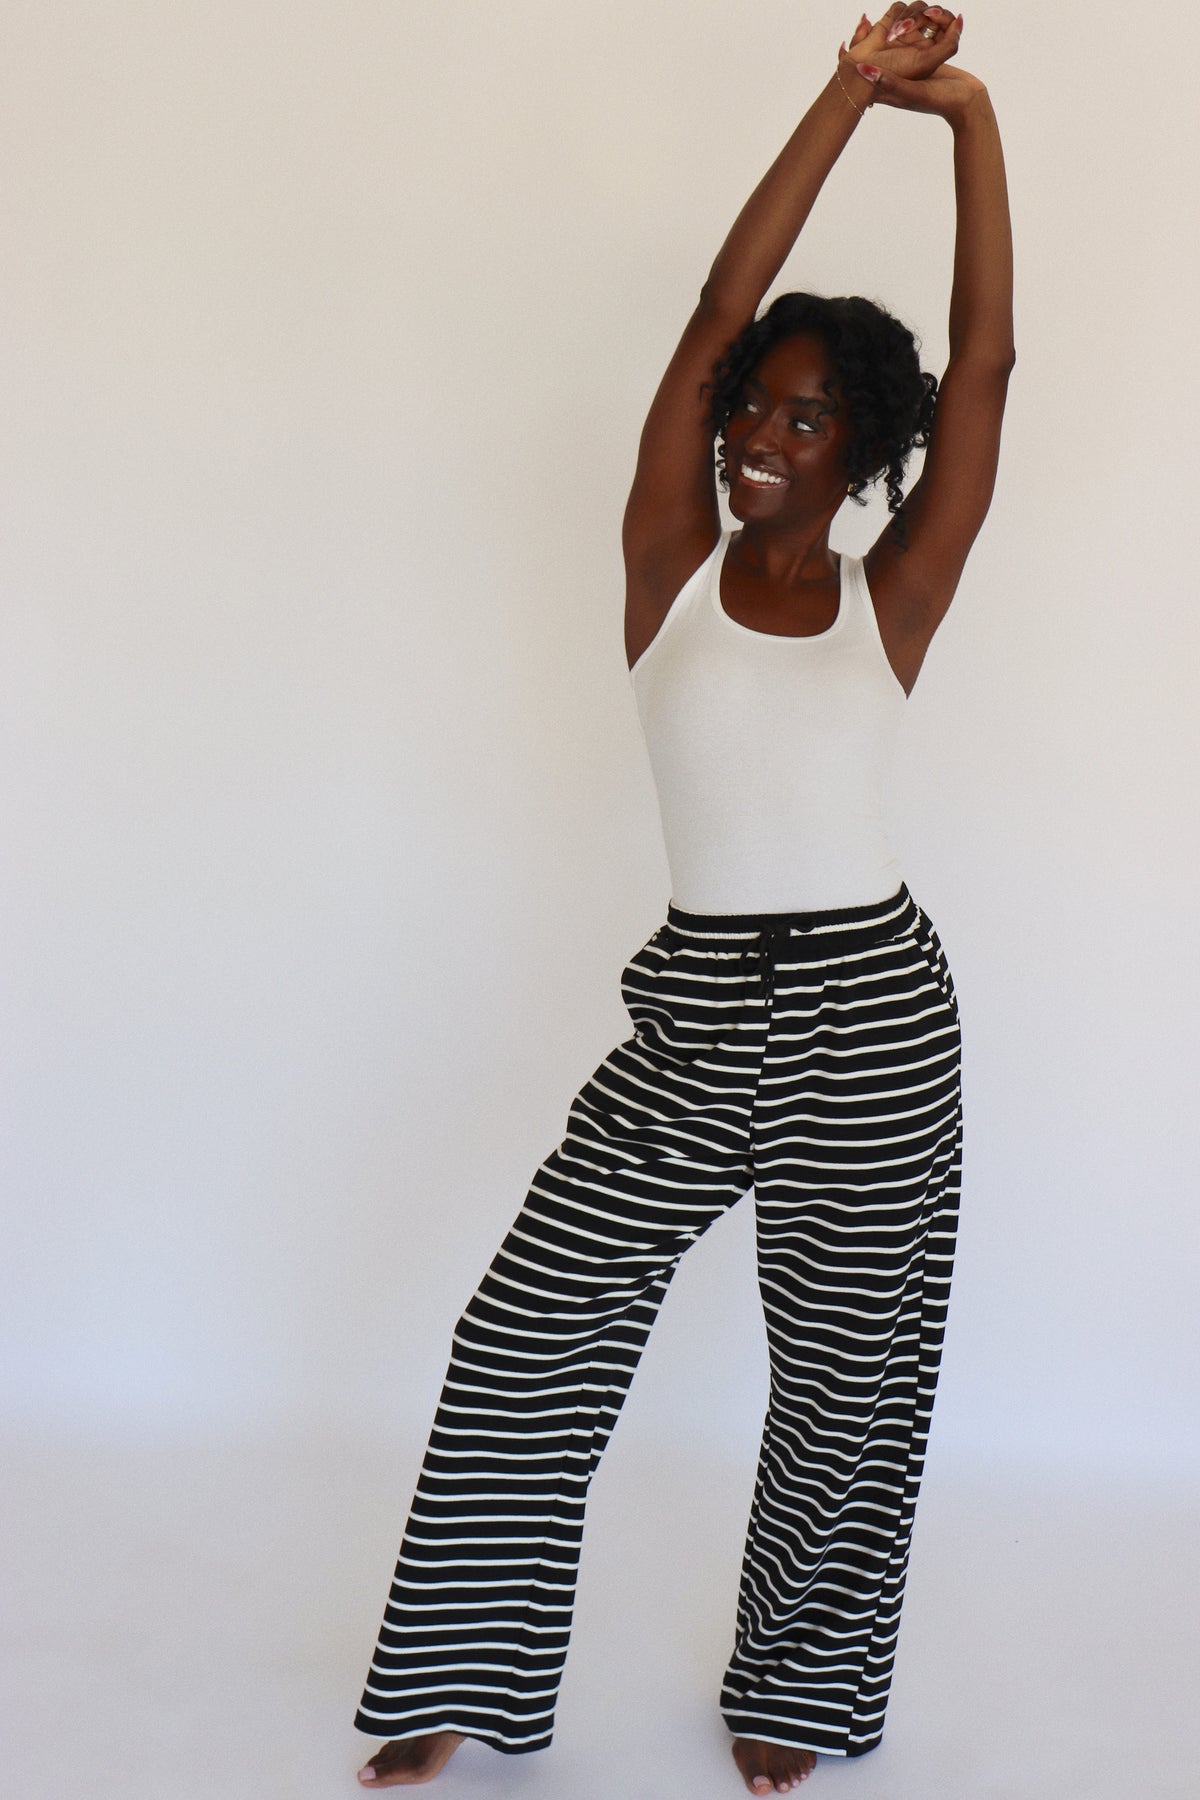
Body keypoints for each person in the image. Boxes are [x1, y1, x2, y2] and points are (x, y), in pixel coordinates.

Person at [354, 5, 1013, 1792]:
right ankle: (456, 1678)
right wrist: (847, 92)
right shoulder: (670, 567)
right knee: (529, 1331)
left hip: (876, 1015)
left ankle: (793, 1702)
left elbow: (991, 359)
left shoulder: (898, 597)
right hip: (698, 1011)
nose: (761, 436)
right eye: (753, 411)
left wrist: (965, 123)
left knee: (848, 1395)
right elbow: (717, 305)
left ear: (864, 443)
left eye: (807, 420)